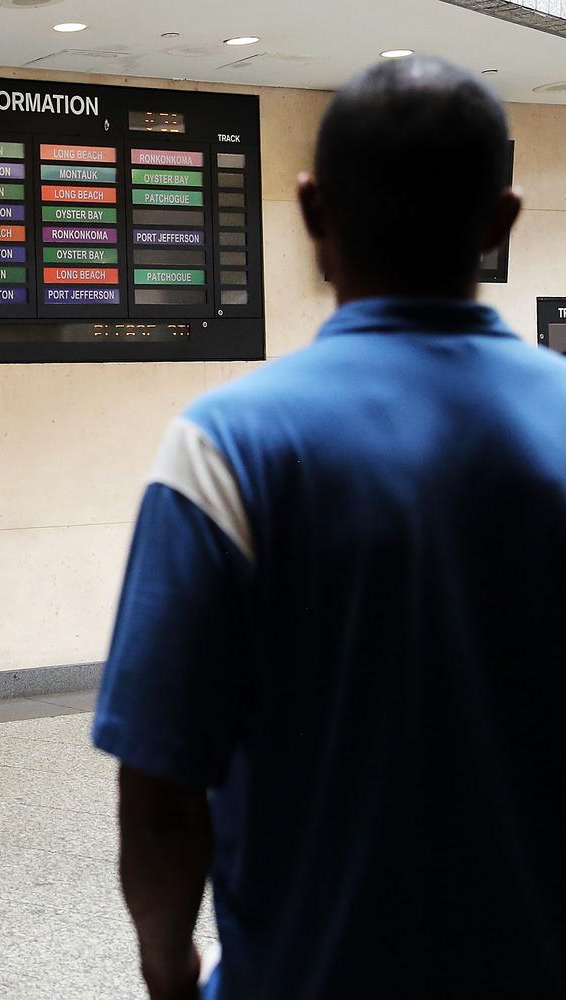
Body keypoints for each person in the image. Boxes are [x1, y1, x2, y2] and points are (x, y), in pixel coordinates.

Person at [93, 56, 566, 1000]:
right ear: (501, 220)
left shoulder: (228, 446)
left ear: (312, 213)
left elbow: (159, 788)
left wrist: (170, 968)